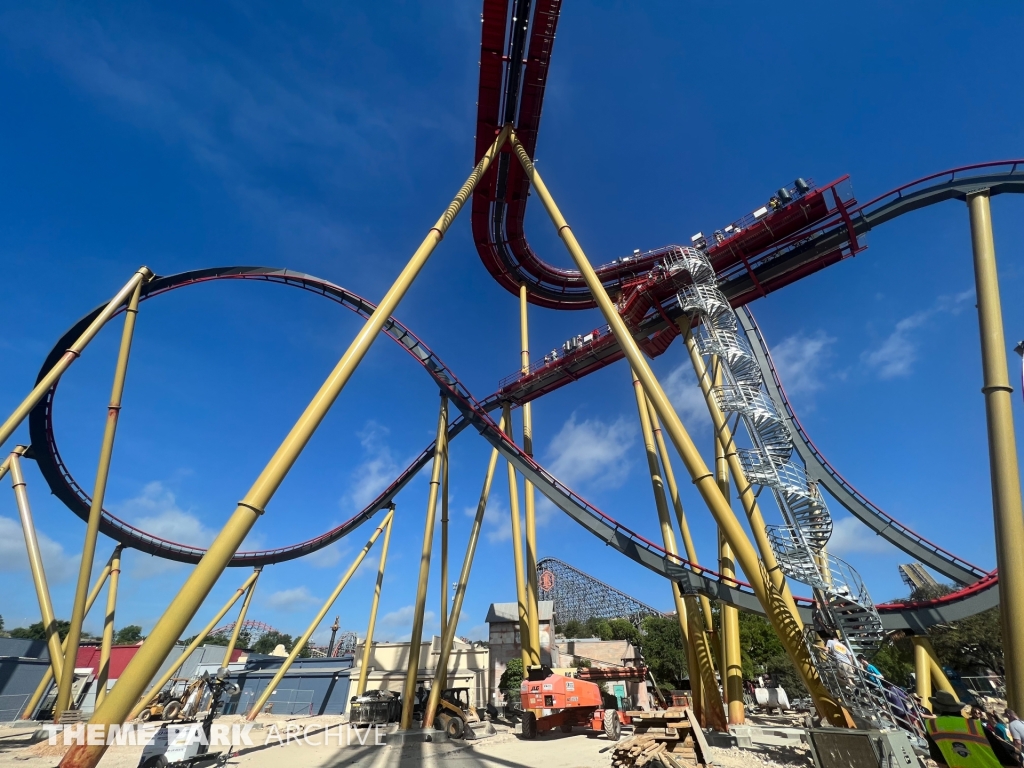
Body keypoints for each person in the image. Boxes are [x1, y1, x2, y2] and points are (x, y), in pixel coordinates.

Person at [925, 691, 1019, 767]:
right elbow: (1000, 752)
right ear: (958, 709)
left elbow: (938, 758)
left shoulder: (932, 725)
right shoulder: (973, 725)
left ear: (939, 708)